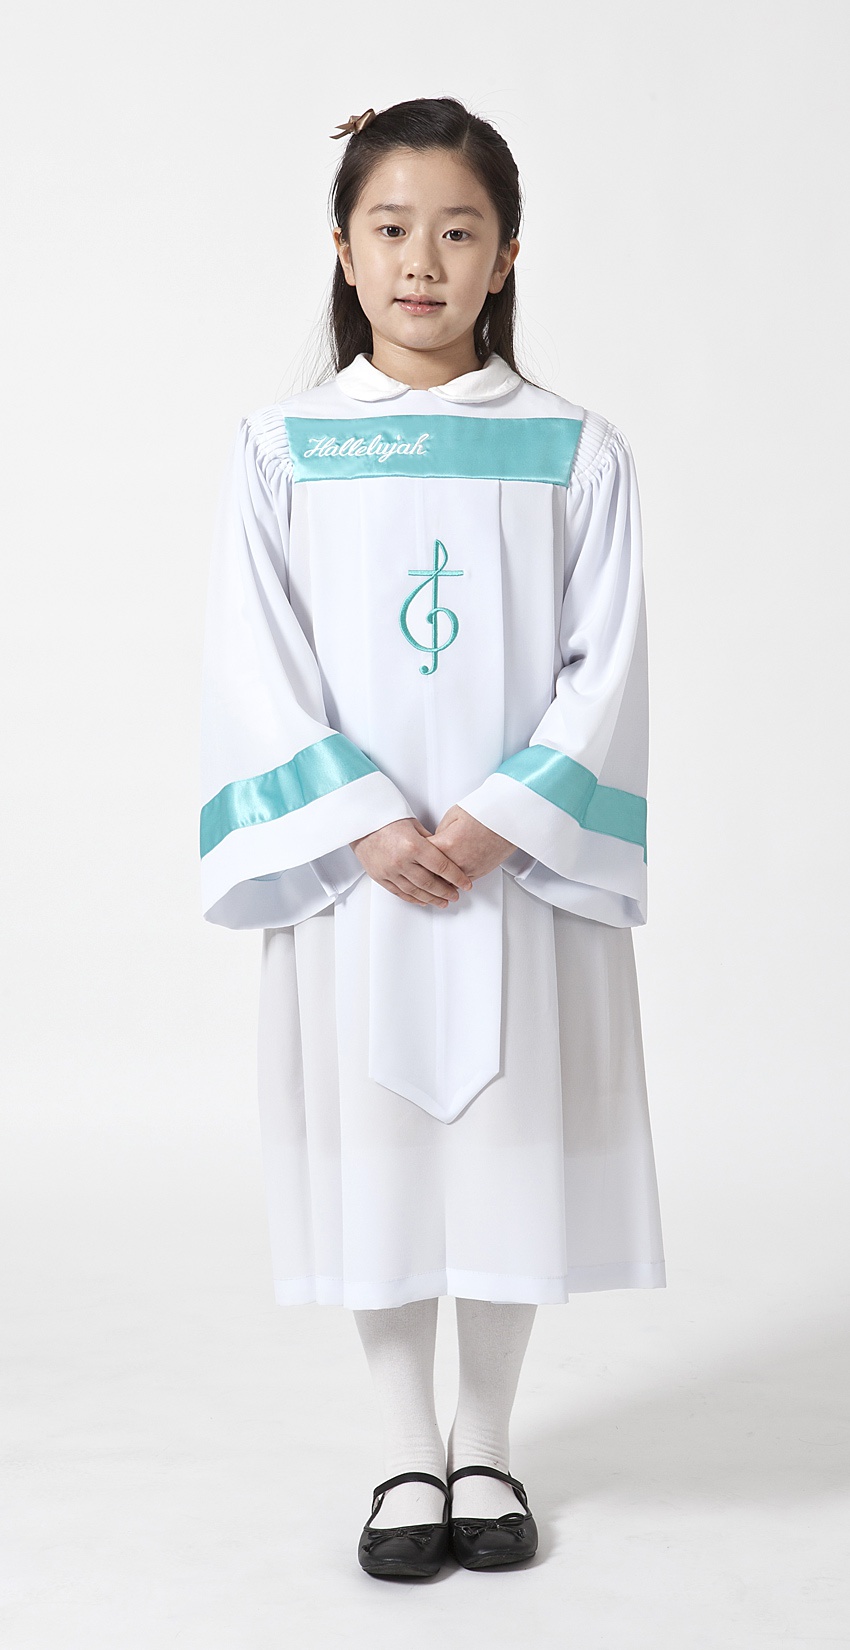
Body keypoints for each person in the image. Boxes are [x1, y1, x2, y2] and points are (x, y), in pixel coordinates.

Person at [199, 96, 665, 1578]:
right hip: (362, 877)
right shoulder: (283, 450)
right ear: (342, 248)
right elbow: (256, 660)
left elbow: (605, 663)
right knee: (379, 1150)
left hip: (509, 870)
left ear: (505, 254)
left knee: (510, 1147)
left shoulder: (571, 451)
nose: (421, 262)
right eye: (390, 228)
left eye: (458, 231)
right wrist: (361, 824)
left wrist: (498, 820)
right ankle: (406, 1446)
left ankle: (491, 1440)